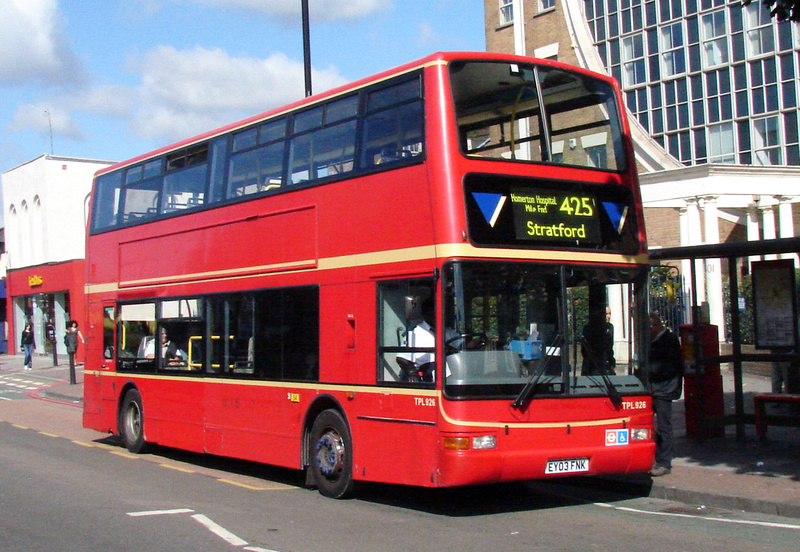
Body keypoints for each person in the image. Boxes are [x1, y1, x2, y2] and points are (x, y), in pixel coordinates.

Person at [647, 312, 684, 477]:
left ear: (655, 326)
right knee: (648, 425)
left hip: (664, 389)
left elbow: (668, 367)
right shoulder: (652, 340)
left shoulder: (669, 340)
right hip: (653, 388)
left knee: (664, 426)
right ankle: (653, 458)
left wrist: (649, 370)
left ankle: (664, 462)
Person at [581, 302, 615, 376]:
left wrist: (611, 362)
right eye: (606, 314)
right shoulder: (587, 328)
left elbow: (610, 347)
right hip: (591, 368)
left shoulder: (610, 327)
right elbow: (585, 350)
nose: (608, 316)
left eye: (610, 314)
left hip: (606, 366)